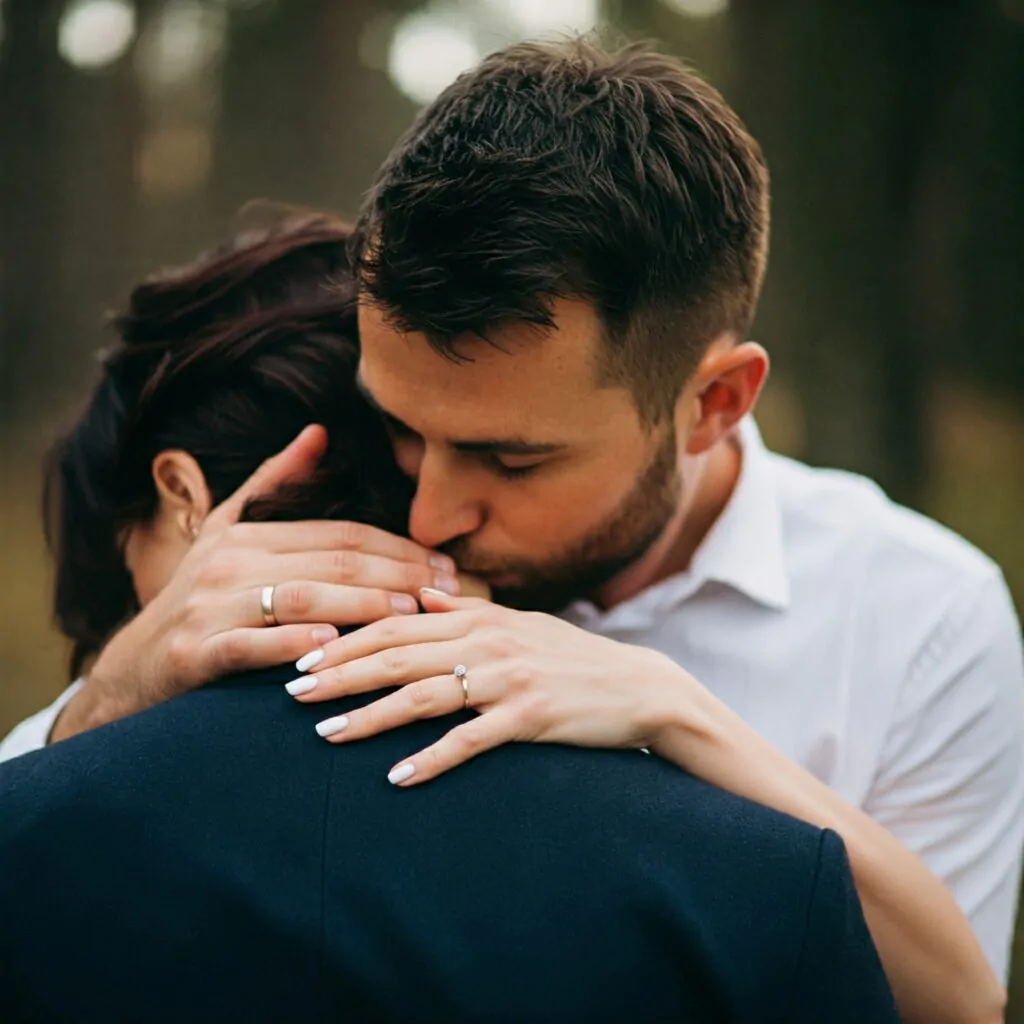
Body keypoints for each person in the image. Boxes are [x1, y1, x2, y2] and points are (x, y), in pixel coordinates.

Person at [1, 40, 1019, 1024]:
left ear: (712, 402)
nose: (433, 512)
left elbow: (955, 1004)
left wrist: (679, 713)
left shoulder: (920, 616)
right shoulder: (367, 532)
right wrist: (116, 690)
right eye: (402, 429)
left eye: (512, 459)